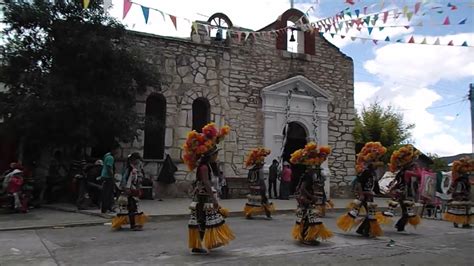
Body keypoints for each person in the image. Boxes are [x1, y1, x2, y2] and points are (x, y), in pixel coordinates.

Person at [183, 123, 234, 254]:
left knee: (206, 220)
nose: (216, 157)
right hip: (203, 198)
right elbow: (206, 183)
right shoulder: (204, 167)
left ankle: (207, 242)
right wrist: (214, 199)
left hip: (204, 197)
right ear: (210, 155)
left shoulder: (207, 166)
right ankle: (198, 245)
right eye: (215, 154)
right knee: (202, 220)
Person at [336, 142, 387, 237]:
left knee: (371, 214)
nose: (377, 164)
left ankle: (362, 229)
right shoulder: (366, 172)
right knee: (370, 214)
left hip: (369, 196)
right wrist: (361, 194)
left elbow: (375, 185)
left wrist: (379, 193)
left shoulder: (373, 173)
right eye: (375, 162)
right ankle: (364, 230)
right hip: (364, 196)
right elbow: (359, 182)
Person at [290, 142, 333, 245]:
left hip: (307, 199)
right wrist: (311, 196)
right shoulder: (308, 175)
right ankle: (306, 238)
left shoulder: (311, 174)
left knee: (308, 218)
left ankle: (307, 237)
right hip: (305, 199)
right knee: (308, 218)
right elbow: (302, 188)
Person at [385, 144, 422, 232]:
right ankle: (400, 226)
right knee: (403, 210)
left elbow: (419, 175)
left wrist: (409, 174)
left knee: (407, 210)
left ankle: (400, 226)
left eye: (401, 160)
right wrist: (392, 186)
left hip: (408, 192)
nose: (399, 162)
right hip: (400, 191)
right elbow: (398, 180)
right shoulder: (401, 169)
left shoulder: (414, 166)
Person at [112, 152, 148, 230]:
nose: (139, 162)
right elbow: (126, 180)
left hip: (131, 190)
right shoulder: (130, 169)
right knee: (131, 207)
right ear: (134, 160)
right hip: (129, 191)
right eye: (138, 160)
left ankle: (128, 224)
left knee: (131, 208)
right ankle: (132, 225)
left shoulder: (132, 168)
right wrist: (127, 189)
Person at [243, 148, 275, 219]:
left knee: (252, 202)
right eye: (262, 160)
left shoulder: (251, 169)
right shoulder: (260, 170)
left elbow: (249, 179)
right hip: (260, 189)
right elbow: (261, 180)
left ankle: (248, 214)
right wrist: (263, 189)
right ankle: (268, 215)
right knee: (265, 202)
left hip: (252, 189)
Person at [444, 157, 473, 228]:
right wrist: (450, 191)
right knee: (460, 209)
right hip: (460, 196)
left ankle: (464, 223)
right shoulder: (459, 179)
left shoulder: (463, 178)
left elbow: (467, 185)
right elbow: (454, 186)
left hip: (463, 195)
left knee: (463, 209)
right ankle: (459, 222)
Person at [99, 144, 120, 214]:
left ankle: (106, 208)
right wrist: (112, 177)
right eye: (117, 149)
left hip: (104, 176)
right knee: (108, 194)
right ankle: (107, 209)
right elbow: (109, 168)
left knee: (106, 193)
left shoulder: (106, 155)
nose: (118, 151)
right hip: (108, 177)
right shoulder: (110, 158)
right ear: (113, 150)